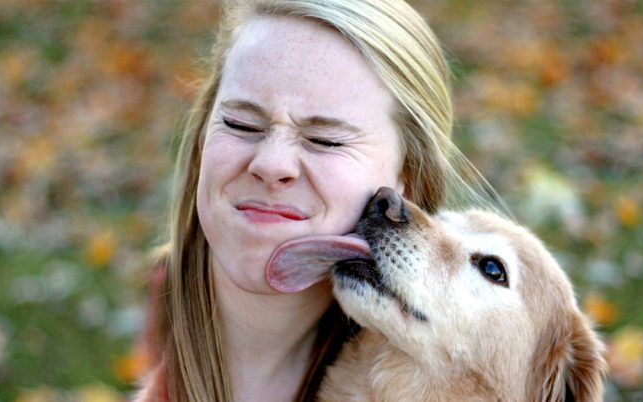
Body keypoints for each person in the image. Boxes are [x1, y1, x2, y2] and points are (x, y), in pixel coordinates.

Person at [135, 0, 499, 400]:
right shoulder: (153, 323)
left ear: (405, 184)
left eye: (324, 140)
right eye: (242, 123)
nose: (271, 163)